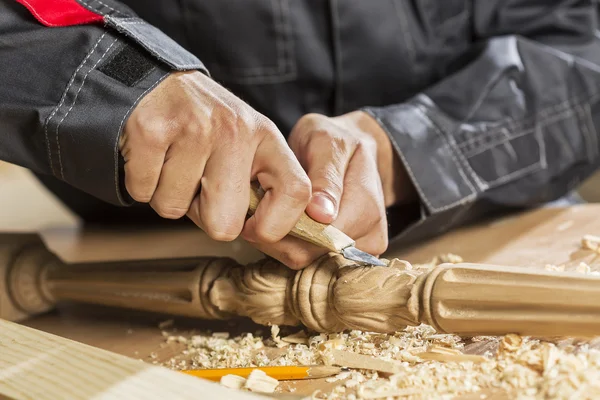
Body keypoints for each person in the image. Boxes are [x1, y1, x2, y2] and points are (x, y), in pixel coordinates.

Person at [1, 0, 599, 269]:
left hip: (505, 234)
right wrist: (121, 79)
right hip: (148, 256)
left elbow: (585, 41)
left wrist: (403, 148)